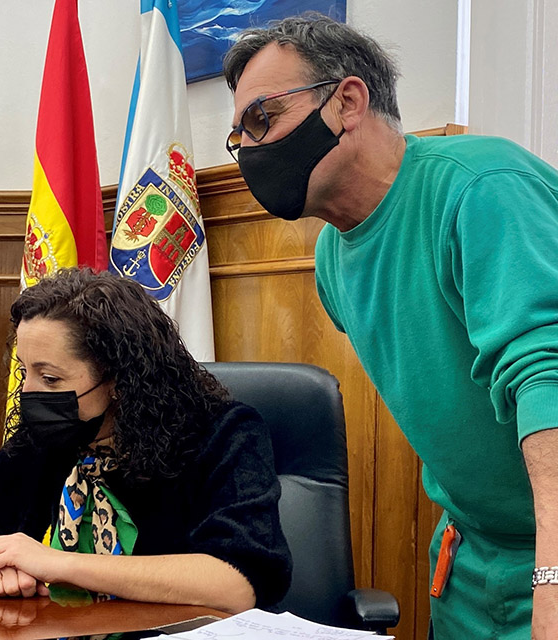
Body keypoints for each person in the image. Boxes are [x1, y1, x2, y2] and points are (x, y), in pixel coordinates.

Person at [222, 14, 558, 638]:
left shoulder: (482, 187)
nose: (248, 148)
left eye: (263, 117)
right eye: (239, 134)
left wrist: (552, 578)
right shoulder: (332, 258)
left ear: (347, 102)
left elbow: (548, 378)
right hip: (468, 562)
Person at [0, 268, 290, 612]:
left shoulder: (225, 433)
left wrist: (58, 564)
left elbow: (236, 583)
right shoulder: (45, 437)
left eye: (50, 379)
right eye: (26, 372)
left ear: (118, 380)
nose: (28, 394)